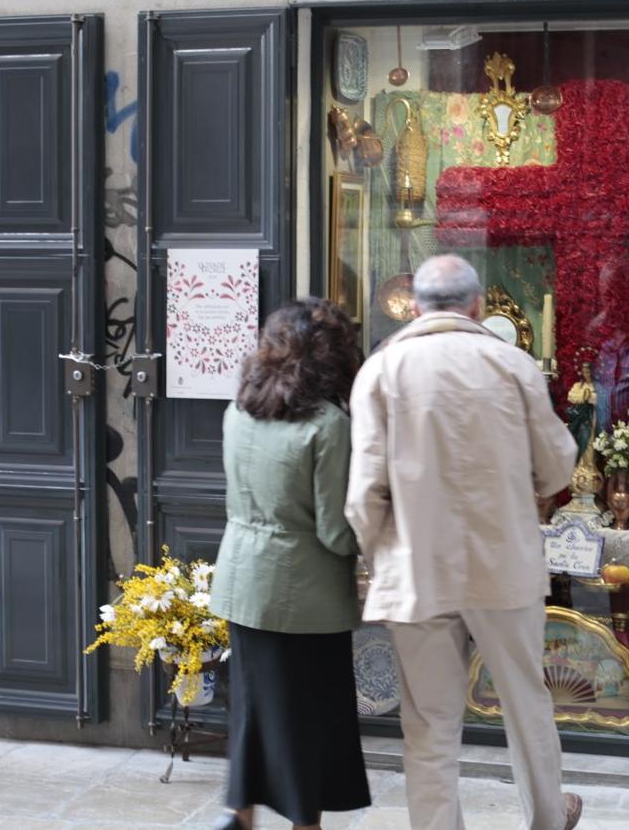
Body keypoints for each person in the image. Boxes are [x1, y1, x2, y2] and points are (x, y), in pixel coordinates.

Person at [347, 255, 584, 830]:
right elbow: (558, 465)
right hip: (503, 566)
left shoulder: (381, 370)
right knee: (527, 703)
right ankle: (548, 819)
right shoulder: (512, 364)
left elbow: (362, 495)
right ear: (477, 307)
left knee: (429, 725)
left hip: (417, 570)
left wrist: (382, 555)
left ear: (416, 305)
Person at [209, 298, 370, 830]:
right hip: (305, 594)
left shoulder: (240, 408)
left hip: (240, 578)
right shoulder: (328, 424)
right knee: (307, 720)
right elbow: (333, 529)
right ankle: (305, 824)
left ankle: (242, 813)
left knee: (252, 710)